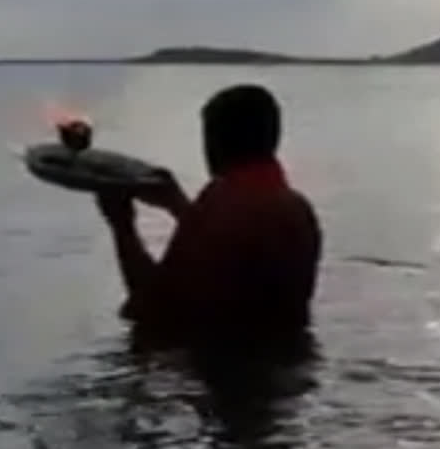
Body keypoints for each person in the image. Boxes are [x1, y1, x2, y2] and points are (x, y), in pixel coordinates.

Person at [96, 85, 322, 348]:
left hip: (223, 375)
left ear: (214, 142)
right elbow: (232, 254)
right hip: (286, 364)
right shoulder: (297, 207)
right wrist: (178, 206)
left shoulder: (219, 202)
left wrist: (122, 224)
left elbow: (148, 309)